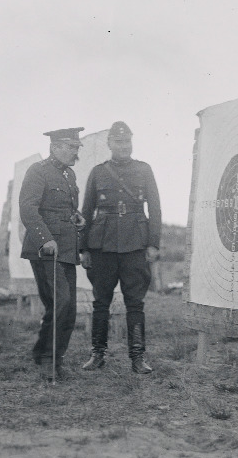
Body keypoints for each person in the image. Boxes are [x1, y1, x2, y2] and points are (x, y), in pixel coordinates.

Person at [80, 121, 161, 374]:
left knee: (135, 303)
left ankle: (138, 357)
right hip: (102, 245)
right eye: (118, 142)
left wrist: (153, 243)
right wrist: (83, 248)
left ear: (132, 142)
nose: (123, 146)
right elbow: (86, 211)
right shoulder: (98, 172)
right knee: (101, 302)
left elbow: (155, 209)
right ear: (109, 144)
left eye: (127, 142)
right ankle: (98, 354)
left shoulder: (144, 169)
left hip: (135, 244)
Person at [19, 127, 87, 382]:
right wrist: (45, 238)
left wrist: (76, 217)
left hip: (67, 248)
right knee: (62, 302)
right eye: (71, 147)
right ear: (55, 146)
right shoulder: (38, 171)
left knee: (65, 306)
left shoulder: (69, 174)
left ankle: (46, 354)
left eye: (77, 147)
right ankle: (49, 359)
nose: (75, 152)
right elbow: (28, 208)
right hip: (45, 248)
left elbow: (64, 209)